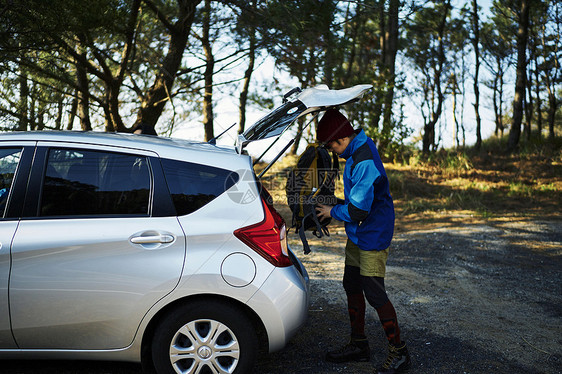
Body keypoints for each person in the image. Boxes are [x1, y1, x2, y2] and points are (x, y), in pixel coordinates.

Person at [315, 109, 411, 374]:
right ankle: (359, 345)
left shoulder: (364, 158)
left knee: (374, 291)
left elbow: (359, 210)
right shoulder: (355, 151)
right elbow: (356, 202)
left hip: (373, 231)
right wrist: (335, 202)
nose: (333, 151)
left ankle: (399, 352)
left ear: (343, 137)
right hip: (359, 231)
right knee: (351, 283)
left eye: (333, 146)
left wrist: (331, 211)